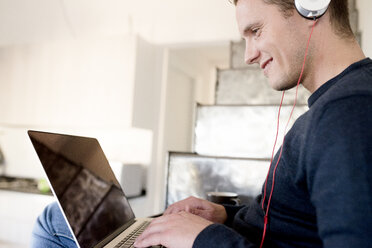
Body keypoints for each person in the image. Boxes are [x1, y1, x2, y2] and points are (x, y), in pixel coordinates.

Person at [32, 0, 372, 247]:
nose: (248, 54)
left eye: (256, 30)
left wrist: (205, 238)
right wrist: (224, 216)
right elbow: (293, 222)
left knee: (54, 221)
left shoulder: (347, 110)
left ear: (311, 6)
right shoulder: (340, 104)